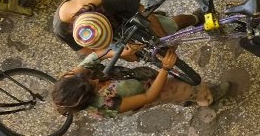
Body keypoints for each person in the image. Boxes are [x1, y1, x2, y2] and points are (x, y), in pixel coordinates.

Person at [51, 47, 229, 118]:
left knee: (168, 86)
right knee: (179, 88)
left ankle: (185, 98)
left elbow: (96, 55)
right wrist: (165, 69)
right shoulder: (106, 105)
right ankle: (206, 97)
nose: (96, 79)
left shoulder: (72, 79)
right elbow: (148, 96)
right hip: (144, 91)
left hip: (132, 80)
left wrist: (119, 52)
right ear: (91, 97)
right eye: (94, 84)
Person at [53, 0, 201, 58]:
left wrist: (162, 40)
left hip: (124, 15)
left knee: (169, 25)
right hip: (104, 36)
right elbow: (86, 52)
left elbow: (144, 12)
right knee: (132, 56)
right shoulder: (61, 28)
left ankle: (196, 17)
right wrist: (119, 53)